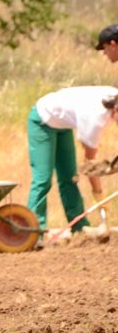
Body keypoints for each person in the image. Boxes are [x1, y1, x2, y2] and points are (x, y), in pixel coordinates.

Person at [26, 79, 118, 235]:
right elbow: (90, 166)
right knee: (43, 179)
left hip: (63, 125)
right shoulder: (95, 118)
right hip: (42, 120)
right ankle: (32, 231)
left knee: (70, 177)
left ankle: (79, 227)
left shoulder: (114, 95)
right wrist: (99, 194)